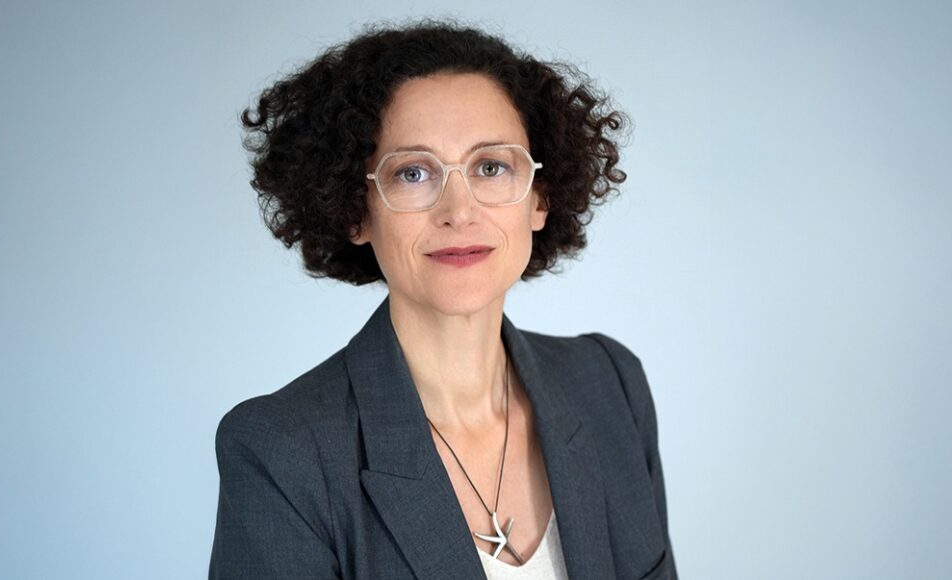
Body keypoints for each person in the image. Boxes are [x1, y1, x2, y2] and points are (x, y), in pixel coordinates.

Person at [209, 18, 677, 580]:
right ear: (356, 211)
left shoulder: (611, 385)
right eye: (412, 173)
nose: (459, 211)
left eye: (491, 167)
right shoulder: (282, 452)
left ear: (539, 199)